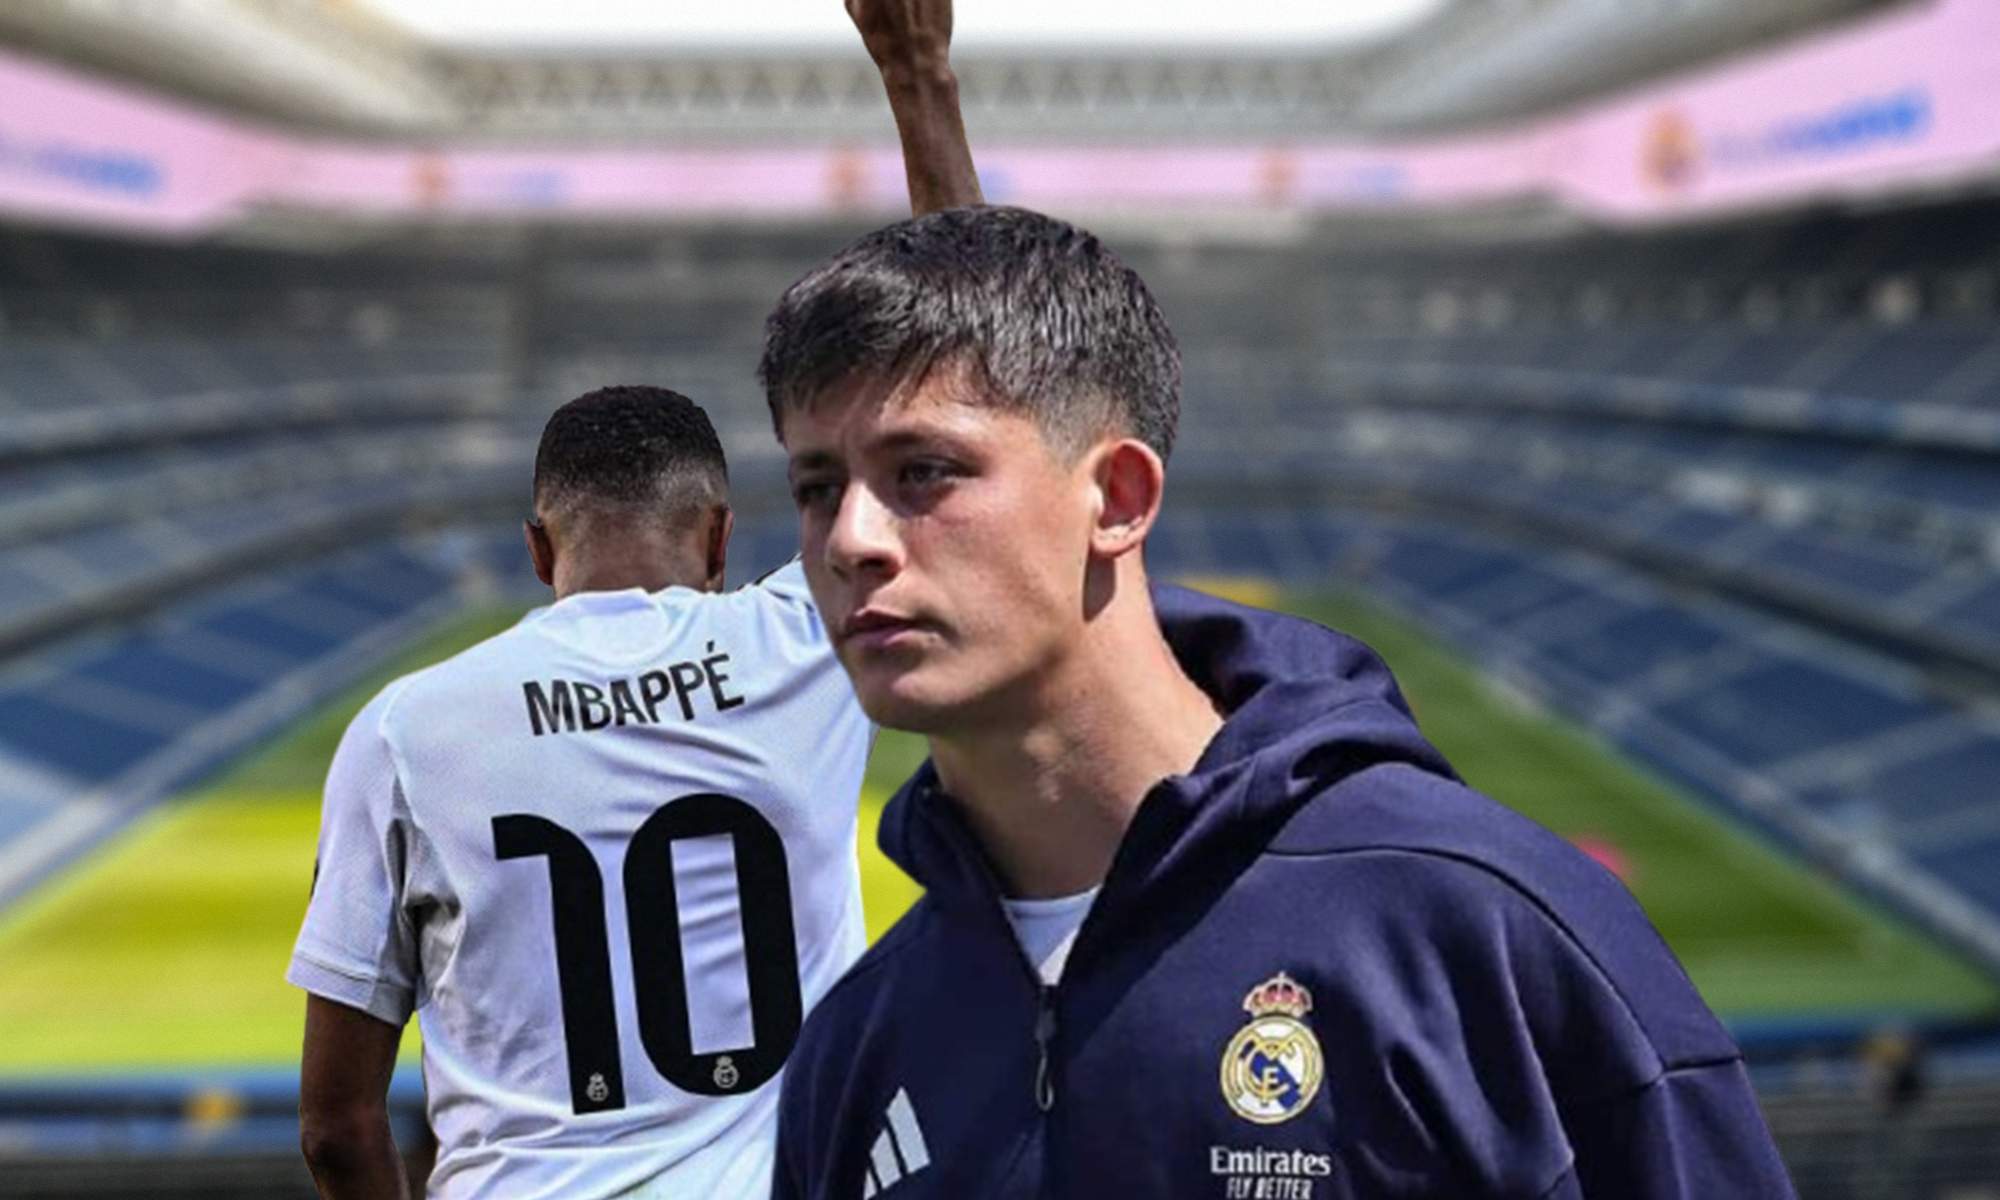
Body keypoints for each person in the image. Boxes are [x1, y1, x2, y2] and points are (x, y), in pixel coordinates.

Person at [761, 9, 1797, 1197]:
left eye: (921, 477)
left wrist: (924, 94)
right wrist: (918, 94)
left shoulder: (1475, 937)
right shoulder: (858, 1046)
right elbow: (990, 376)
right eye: (813, 486)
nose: (848, 541)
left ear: (1120, 500)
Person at [289, 4, 982, 1193]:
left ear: (533, 546)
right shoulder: (791, 642)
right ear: (719, 535)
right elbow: (975, 393)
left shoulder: (407, 730)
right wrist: (918, 78)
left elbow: (336, 1128)